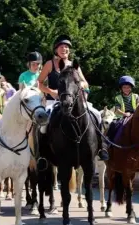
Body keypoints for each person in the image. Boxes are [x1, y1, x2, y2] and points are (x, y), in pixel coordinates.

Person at [37, 34, 109, 170]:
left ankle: (101, 148)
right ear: (56, 49)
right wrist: (51, 91)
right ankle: (42, 155)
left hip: (74, 102)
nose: (64, 49)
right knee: (44, 125)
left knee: (97, 115)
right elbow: (39, 83)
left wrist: (80, 86)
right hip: (54, 101)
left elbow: (85, 83)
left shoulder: (73, 65)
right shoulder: (49, 64)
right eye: (62, 47)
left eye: (67, 47)